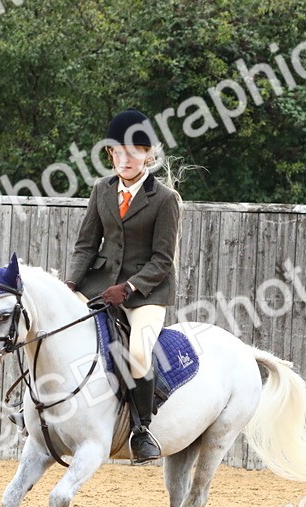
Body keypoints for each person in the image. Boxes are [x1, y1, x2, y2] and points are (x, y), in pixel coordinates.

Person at [66, 108, 181, 463]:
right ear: (110, 154)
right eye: (118, 151)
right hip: (100, 283)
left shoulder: (164, 200)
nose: (125, 158)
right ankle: (33, 410)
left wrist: (129, 288)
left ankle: (141, 429)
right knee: (58, 328)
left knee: (140, 351)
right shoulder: (101, 189)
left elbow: (163, 260)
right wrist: (70, 283)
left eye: (134, 151)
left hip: (146, 292)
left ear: (148, 155)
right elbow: (87, 244)